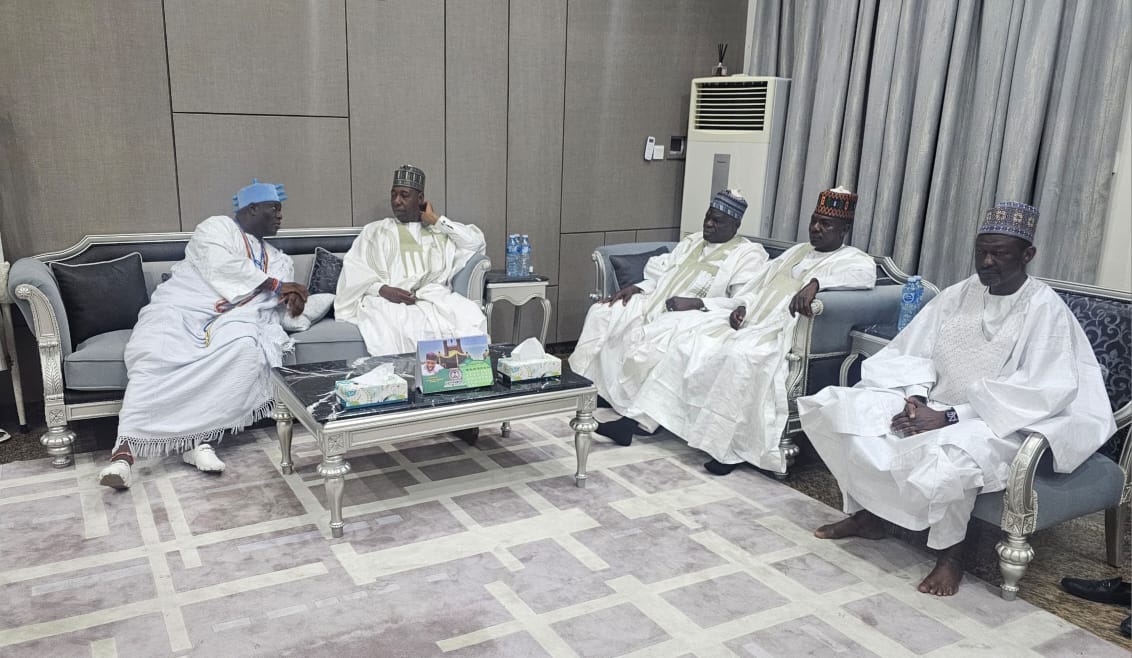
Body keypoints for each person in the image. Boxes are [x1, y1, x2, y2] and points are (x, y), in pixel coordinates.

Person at [797, 201, 1116, 596]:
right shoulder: (959, 293)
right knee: (838, 408)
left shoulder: (1044, 309)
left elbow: (1042, 391)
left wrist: (948, 418)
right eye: (981, 250)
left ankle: (952, 556)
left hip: (999, 423)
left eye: (999, 253)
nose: (986, 261)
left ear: (1027, 255)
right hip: (930, 403)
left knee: (954, 456)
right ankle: (871, 516)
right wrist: (914, 398)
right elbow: (912, 351)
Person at [628, 187, 875, 475]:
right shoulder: (797, 251)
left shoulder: (854, 260)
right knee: (690, 338)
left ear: (844, 229)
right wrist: (743, 305)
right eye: (814, 220)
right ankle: (644, 419)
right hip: (752, 322)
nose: (816, 228)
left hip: (780, 333)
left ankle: (727, 450)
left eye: (826, 224)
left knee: (739, 356)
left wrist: (817, 283)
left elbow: (864, 276)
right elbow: (757, 286)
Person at [99, 180, 309, 489]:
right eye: (274, 209)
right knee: (154, 350)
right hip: (181, 309)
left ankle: (199, 442)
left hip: (233, 318)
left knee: (246, 349)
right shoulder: (215, 228)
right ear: (252, 209)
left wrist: (294, 302)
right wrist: (277, 287)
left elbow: (276, 303)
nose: (280, 217)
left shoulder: (279, 259)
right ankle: (123, 455)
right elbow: (222, 265)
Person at [568, 189, 770, 446]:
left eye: (717, 220)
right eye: (708, 216)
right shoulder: (693, 241)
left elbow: (742, 302)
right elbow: (663, 274)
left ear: (735, 224)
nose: (709, 223)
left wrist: (698, 302)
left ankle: (635, 421)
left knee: (658, 338)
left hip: (699, 314)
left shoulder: (748, 255)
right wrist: (639, 287)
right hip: (659, 299)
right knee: (604, 312)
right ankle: (590, 387)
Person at [334, 165, 487, 356]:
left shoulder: (439, 232)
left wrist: (436, 220)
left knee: (469, 316)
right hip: (388, 302)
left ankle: (459, 380)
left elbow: (475, 242)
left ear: (420, 199)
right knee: (403, 325)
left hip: (435, 298)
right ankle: (408, 382)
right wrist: (383, 290)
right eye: (393, 195)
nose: (396, 201)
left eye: (404, 195)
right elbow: (355, 271)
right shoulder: (376, 231)